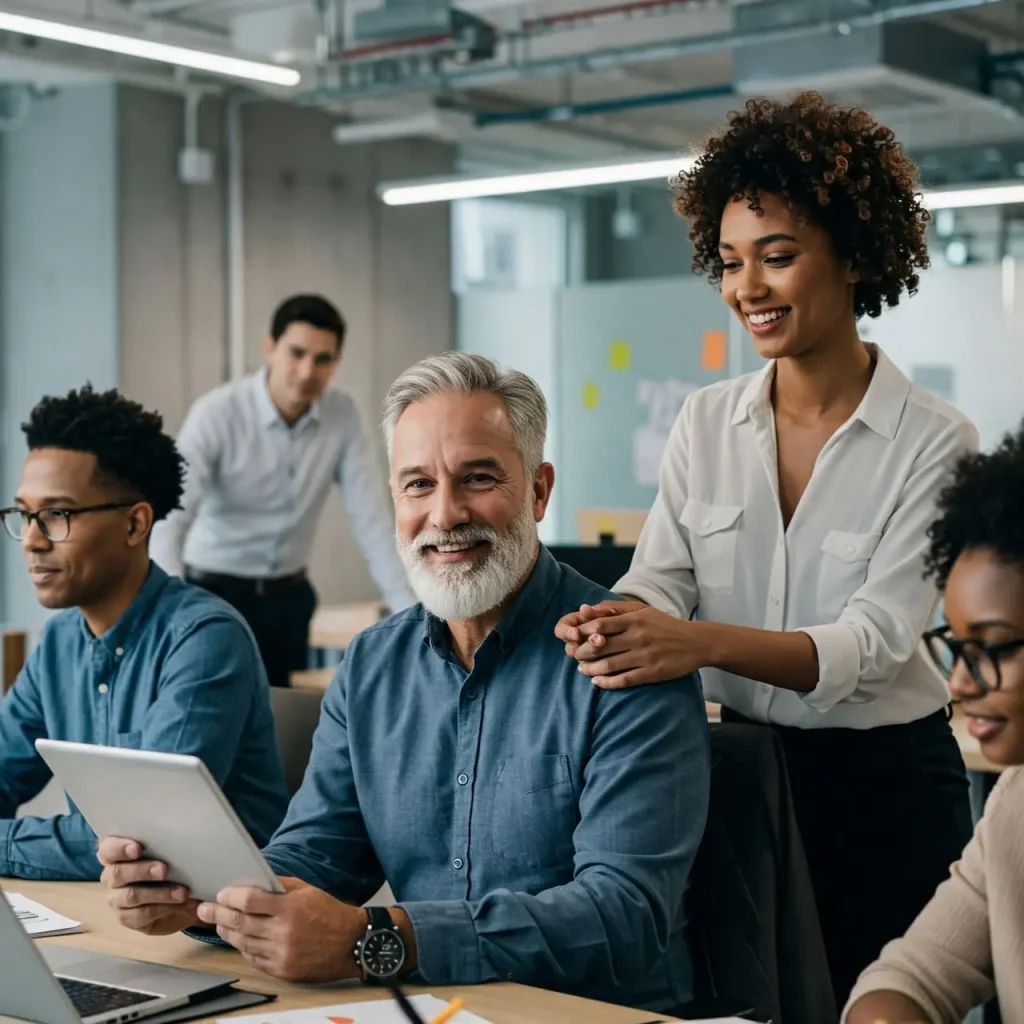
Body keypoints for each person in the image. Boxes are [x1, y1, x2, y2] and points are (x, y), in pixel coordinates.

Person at [97, 353, 711, 1014]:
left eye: (477, 478)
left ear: (538, 489)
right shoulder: (371, 667)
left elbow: (622, 915)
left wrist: (379, 942)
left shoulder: (626, 659)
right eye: (418, 484)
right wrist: (204, 896)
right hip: (432, 1005)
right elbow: (321, 856)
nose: (444, 515)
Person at [556, 92, 977, 1005]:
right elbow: (659, 580)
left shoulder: (936, 439)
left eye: (777, 258)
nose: (748, 287)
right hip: (736, 776)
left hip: (885, 790)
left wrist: (698, 643)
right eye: (732, 261)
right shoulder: (706, 422)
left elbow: (873, 646)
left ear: (856, 256)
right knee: (751, 1005)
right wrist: (614, 623)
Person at [0, 385, 289, 881]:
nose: (31, 539)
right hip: (113, 914)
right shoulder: (59, 643)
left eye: (57, 515)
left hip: (221, 930)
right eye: (25, 514)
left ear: (135, 525)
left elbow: (147, 837)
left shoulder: (205, 638)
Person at [845, 422, 1024, 1023]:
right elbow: (908, 979)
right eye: (956, 647)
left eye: (993, 649)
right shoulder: (1014, 810)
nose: (960, 684)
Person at [150, 294, 415, 688]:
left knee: (275, 722)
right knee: (211, 708)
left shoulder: (343, 415)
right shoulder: (217, 413)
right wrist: (173, 610)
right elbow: (170, 519)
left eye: (323, 359)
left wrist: (413, 614)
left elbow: (371, 521)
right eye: (297, 353)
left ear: (336, 363)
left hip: (288, 601)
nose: (308, 371)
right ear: (270, 347)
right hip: (212, 592)